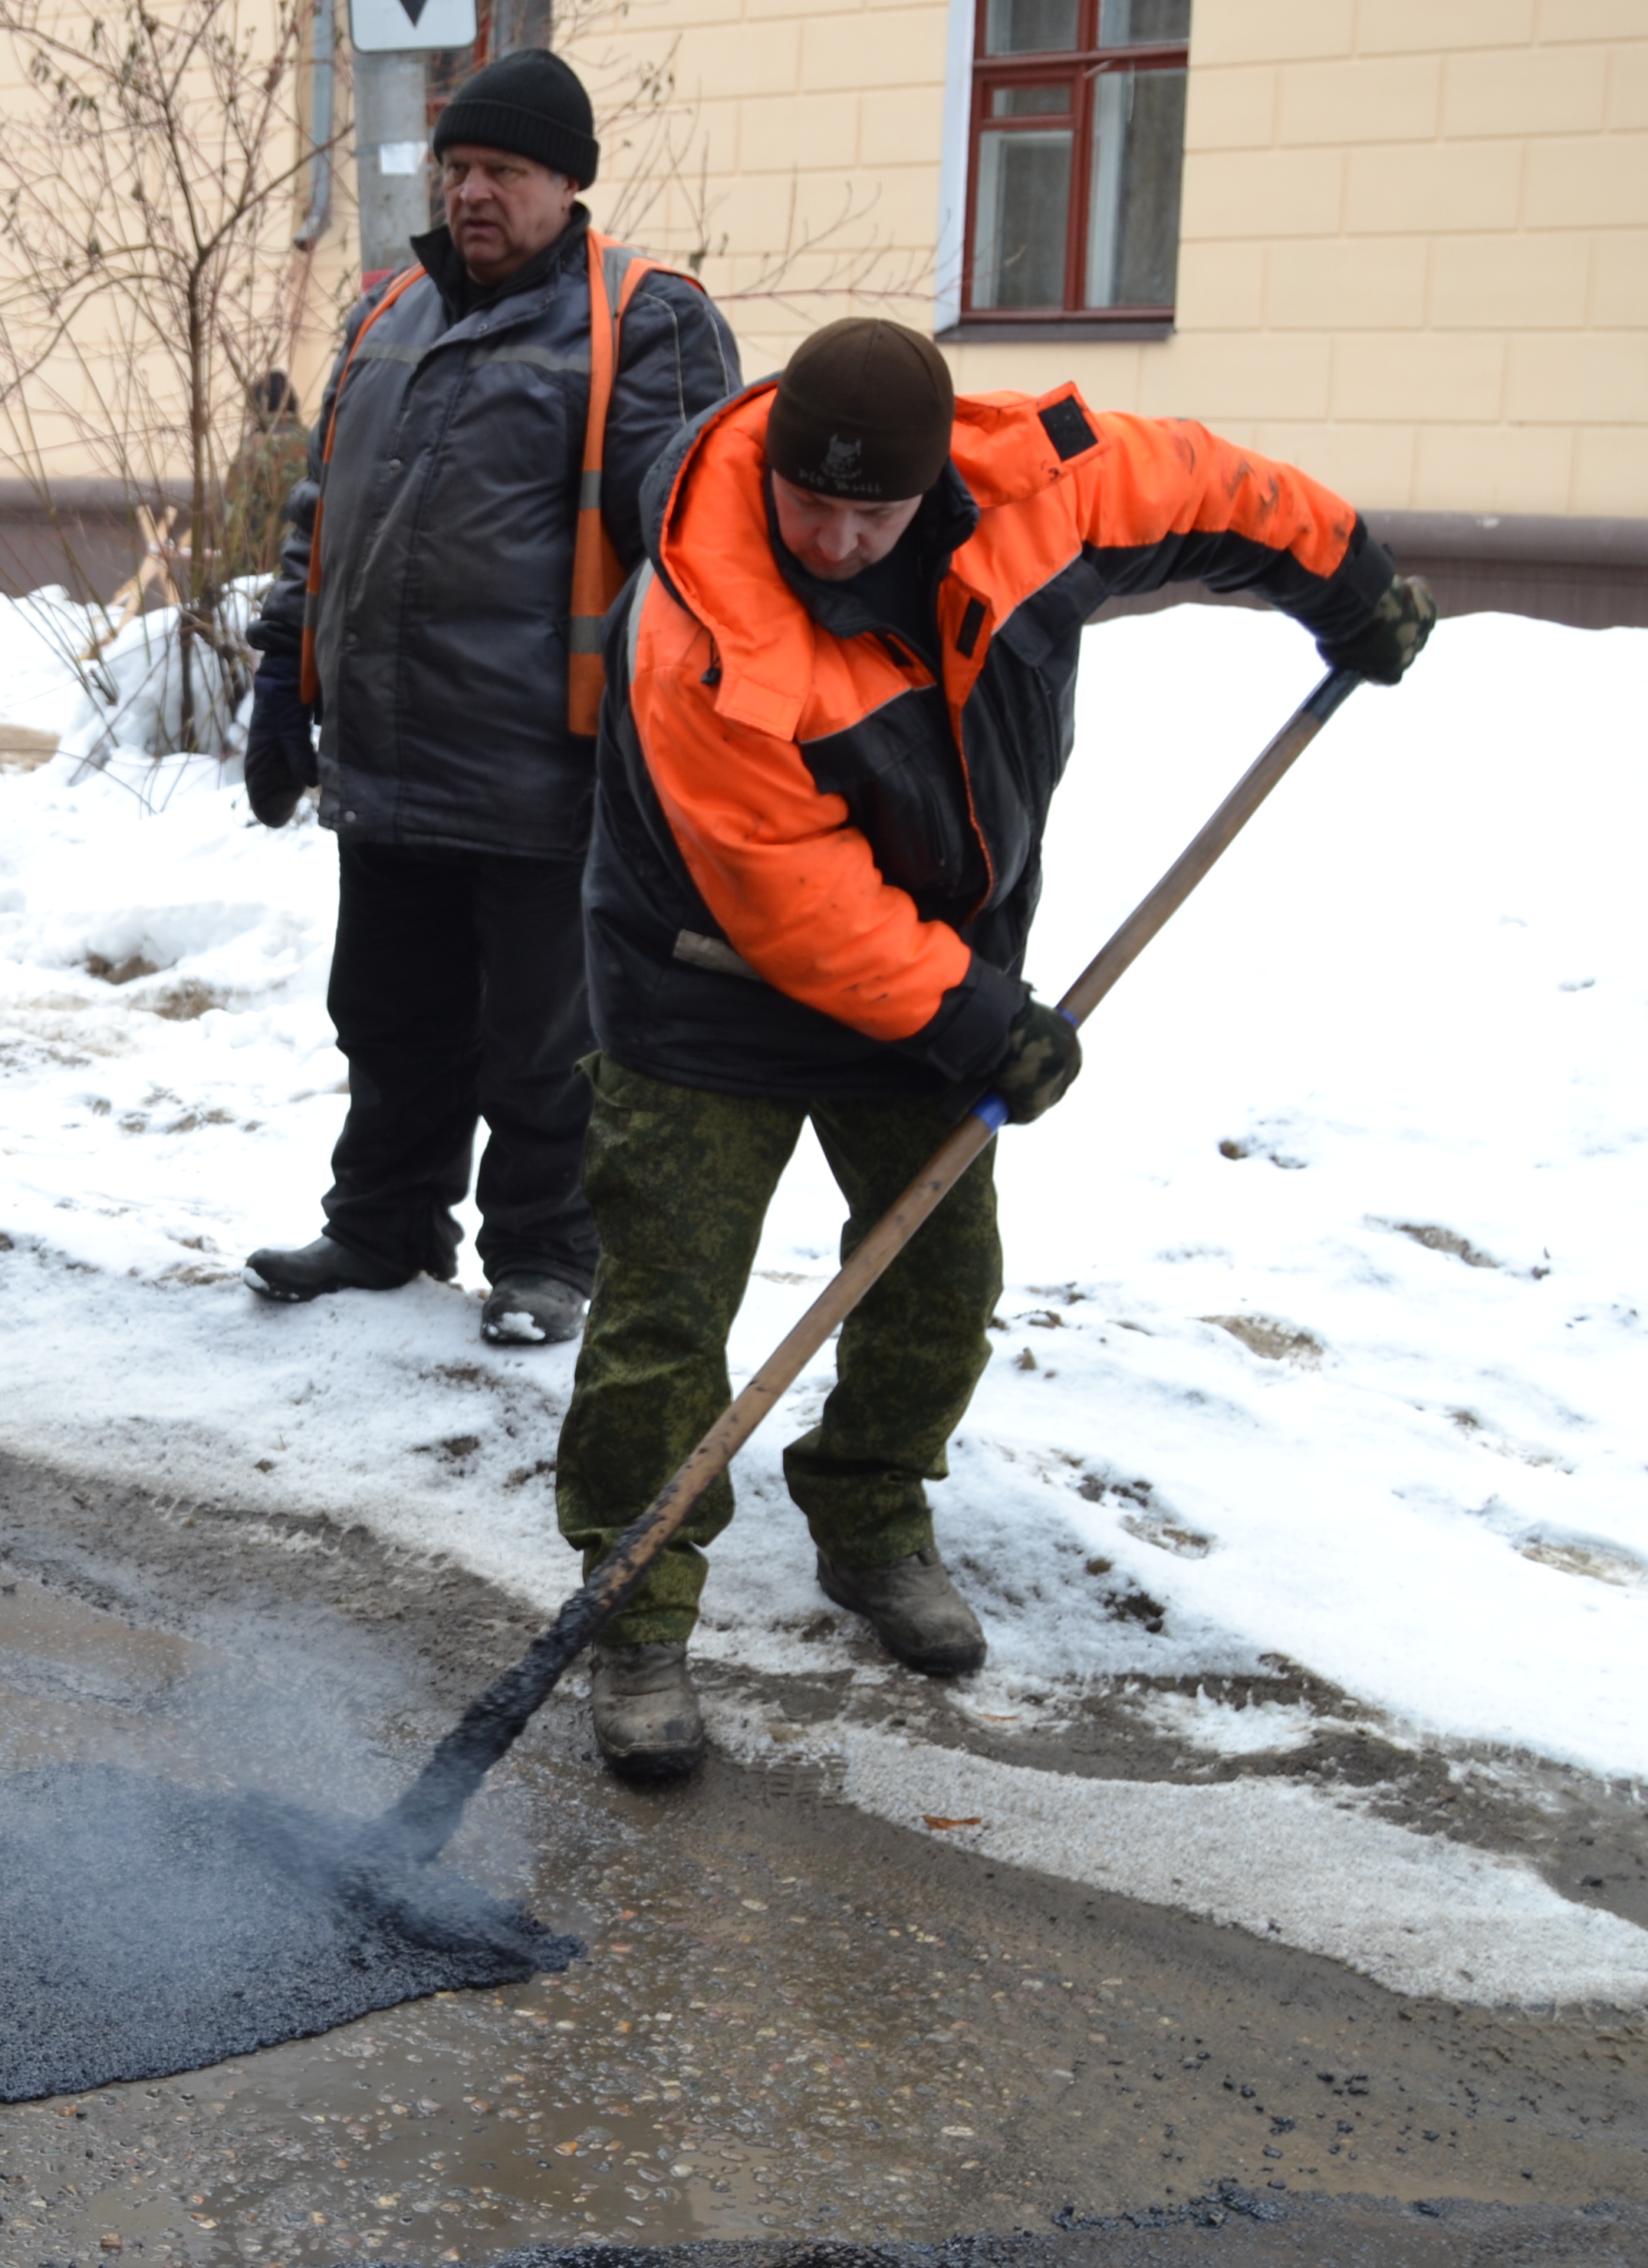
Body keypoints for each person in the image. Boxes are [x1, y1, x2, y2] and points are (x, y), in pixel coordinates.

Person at [556, 318, 1438, 1778]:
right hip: (706, 983)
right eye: (809, 503)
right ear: (768, 469)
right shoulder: (706, 619)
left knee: (940, 1278)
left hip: (931, 962)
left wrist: (1342, 578)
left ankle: (870, 1513)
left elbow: (1212, 492)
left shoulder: (1034, 490)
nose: (835, 537)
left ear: (934, 490)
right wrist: (978, 1018)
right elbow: (793, 897)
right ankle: (637, 1609)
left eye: (873, 512)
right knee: (668, 1307)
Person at [241, 49, 740, 1347]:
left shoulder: (647, 320)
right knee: (388, 1015)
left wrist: (682, 751)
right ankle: (384, 1223)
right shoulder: (390, 311)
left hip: (550, 763)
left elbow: (698, 549)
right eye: (457, 167)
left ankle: (544, 1257)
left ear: (565, 182)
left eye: (501, 172)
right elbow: (320, 514)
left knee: (541, 1041)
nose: (470, 192)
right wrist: (280, 683)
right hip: (390, 757)